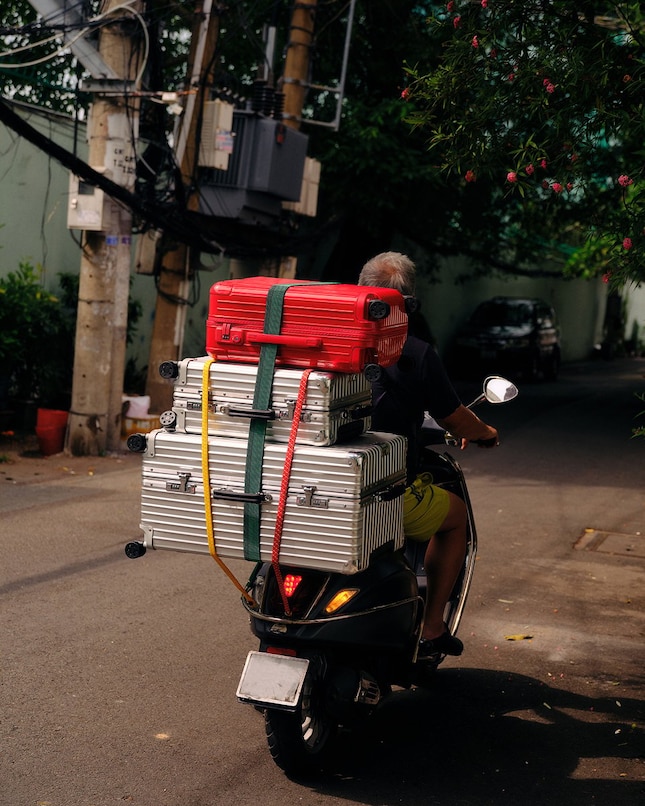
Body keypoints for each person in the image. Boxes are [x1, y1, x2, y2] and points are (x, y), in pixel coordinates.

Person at [358, 252, 499, 658]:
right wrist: (486, 432)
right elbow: (454, 417)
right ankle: (432, 627)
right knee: (455, 520)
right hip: (377, 492)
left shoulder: (321, 338)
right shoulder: (414, 353)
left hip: (302, 481)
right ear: (408, 302)